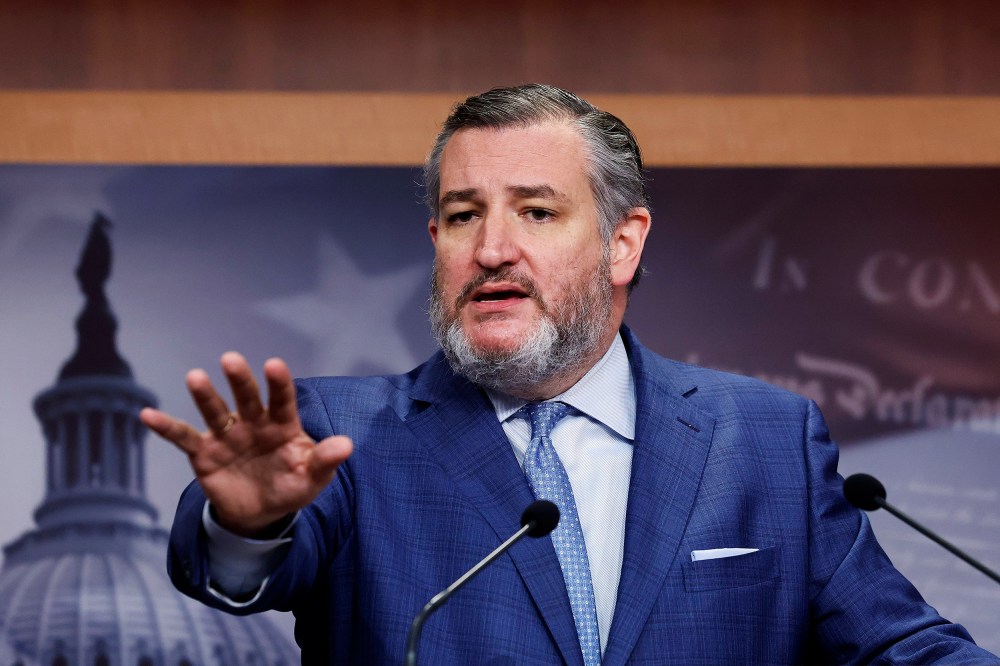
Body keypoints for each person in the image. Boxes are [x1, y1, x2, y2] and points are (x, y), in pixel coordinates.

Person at [141, 84, 996, 664]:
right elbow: (240, 582)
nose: (491, 248)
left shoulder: (767, 438)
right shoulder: (343, 433)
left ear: (623, 243)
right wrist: (244, 528)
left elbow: (901, 649)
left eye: (537, 211)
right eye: (462, 215)